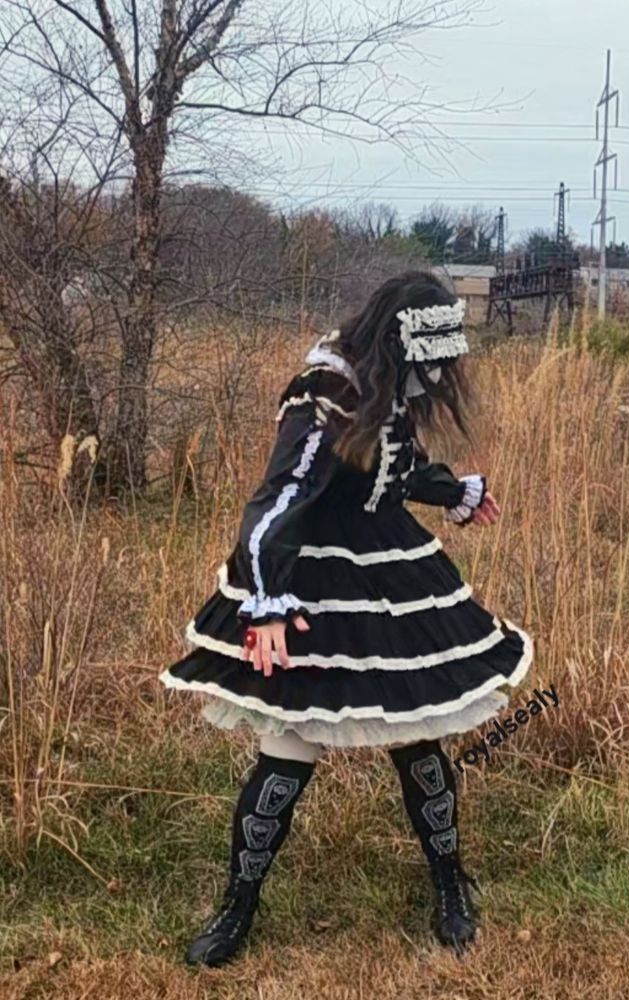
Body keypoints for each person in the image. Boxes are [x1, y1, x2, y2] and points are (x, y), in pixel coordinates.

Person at [159, 270, 533, 966]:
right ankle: (238, 904)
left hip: (393, 573)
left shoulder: (386, 388)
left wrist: (453, 491)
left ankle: (451, 886)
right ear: (399, 343)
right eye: (429, 361)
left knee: (419, 735)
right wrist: (267, 603)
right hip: (315, 579)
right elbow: (280, 497)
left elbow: (394, 469)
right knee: (291, 746)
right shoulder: (324, 392)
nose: (439, 376)